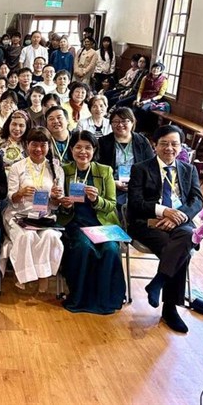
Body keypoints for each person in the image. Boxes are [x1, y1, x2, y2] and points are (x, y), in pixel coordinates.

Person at [127, 125, 203, 333]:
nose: (169, 148)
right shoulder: (141, 168)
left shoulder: (189, 169)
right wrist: (164, 211)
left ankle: (158, 281)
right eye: (164, 144)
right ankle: (170, 309)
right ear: (155, 145)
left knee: (188, 236)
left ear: (181, 147)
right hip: (149, 222)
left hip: (180, 223)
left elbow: (197, 200)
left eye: (174, 144)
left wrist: (178, 217)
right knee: (179, 250)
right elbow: (135, 202)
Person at [57, 130, 125, 314]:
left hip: (101, 224)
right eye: (78, 147)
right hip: (75, 223)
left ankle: (106, 300)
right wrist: (65, 205)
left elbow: (111, 205)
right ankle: (79, 298)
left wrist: (96, 200)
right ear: (71, 149)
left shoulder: (105, 171)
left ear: (94, 150)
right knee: (83, 247)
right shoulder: (64, 170)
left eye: (88, 147)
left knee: (110, 249)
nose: (83, 152)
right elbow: (59, 206)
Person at [2, 127, 65, 292]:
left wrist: (55, 197)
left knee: (51, 236)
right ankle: (24, 276)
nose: (38, 149)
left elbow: (56, 204)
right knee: (27, 236)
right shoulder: (17, 167)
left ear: (48, 146)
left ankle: (44, 276)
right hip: (19, 216)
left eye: (43, 145)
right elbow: (10, 198)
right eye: (34, 145)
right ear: (27, 145)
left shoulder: (56, 169)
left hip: (43, 217)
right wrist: (20, 193)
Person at [98, 107, 155, 207]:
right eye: (116, 121)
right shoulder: (103, 142)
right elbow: (98, 168)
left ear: (132, 122)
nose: (120, 125)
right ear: (111, 124)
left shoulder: (142, 141)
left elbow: (151, 166)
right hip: (111, 185)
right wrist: (113, 182)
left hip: (138, 186)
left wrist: (138, 182)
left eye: (124, 121)